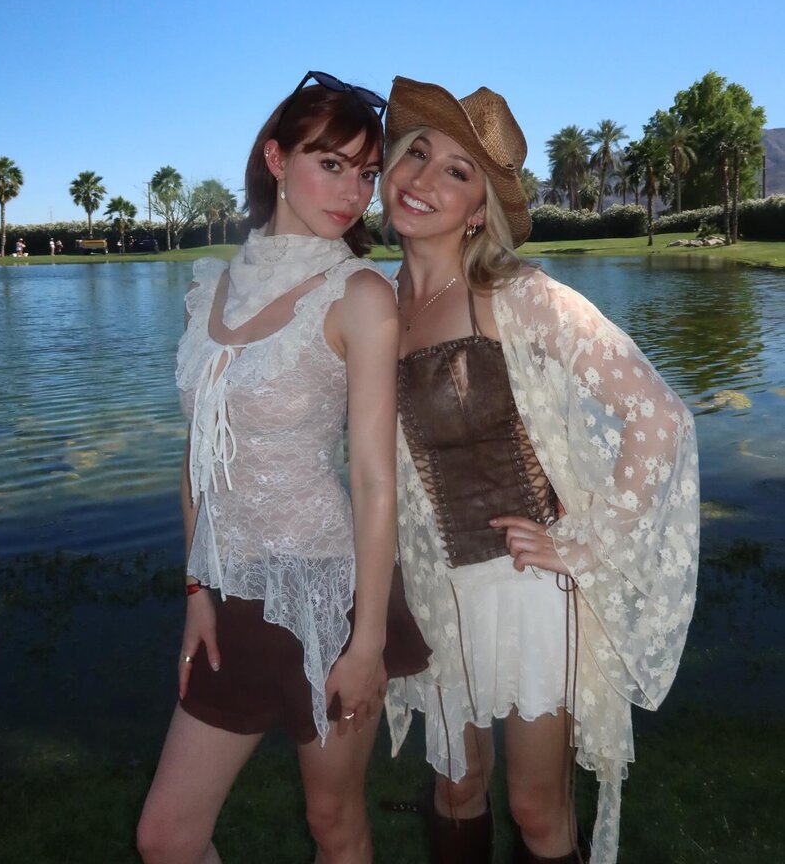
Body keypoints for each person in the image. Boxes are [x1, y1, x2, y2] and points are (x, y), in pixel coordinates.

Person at [380, 77, 700, 864]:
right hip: (428, 588)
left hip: (524, 585)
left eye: (457, 171)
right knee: (456, 786)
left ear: (478, 211)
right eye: (416, 153)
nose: (423, 179)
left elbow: (660, 417)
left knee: (534, 807)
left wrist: (582, 542)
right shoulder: (369, 305)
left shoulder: (517, 297)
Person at [138, 72, 429, 864]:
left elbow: (372, 480)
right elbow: (198, 457)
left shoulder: (360, 295)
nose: (354, 193)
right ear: (275, 158)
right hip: (229, 594)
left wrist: (366, 644)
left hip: (327, 599)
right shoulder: (211, 289)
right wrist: (196, 592)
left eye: (366, 173)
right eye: (330, 164)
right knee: (166, 839)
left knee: (334, 824)